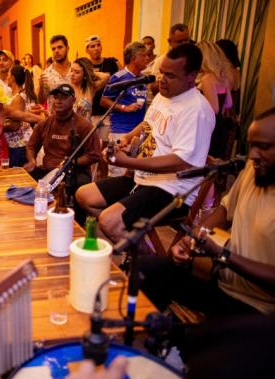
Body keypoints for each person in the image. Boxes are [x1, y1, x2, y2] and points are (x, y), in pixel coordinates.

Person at [139, 108, 275, 317]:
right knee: (145, 271)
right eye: (252, 145)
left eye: (263, 147)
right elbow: (224, 210)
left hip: (258, 308)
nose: (253, 155)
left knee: (196, 344)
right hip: (221, 283)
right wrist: (190, 240)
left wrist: (223, 254)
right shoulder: (253, 169)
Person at [75, 43, 215, 244]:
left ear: (192, 76)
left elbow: (182, 161)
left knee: (109, 220)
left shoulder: (197, 110)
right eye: (161, 73)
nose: (161, 80)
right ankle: (134, 241)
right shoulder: (163, 96)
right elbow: (148, 123)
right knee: (84, 195)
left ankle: (143, 260)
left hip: (171, 190)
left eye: (170, 76)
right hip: (142, 178)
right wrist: (128, 137)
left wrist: (128, 163)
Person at [24, 84, 101, 189]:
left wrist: (72, 162)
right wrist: (32, 161)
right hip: (48, 171)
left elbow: (95, 155)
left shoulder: (84, 126)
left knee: (79, 185)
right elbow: (31, 146)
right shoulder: (44, 123)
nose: (58, 101)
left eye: (64, 97)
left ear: (73, 100)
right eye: (56, 97)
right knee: (24, 180)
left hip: (75, 172)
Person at [101, 42, 151, 176]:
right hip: (121, 131)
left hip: (139, 132)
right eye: (144, 55)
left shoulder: (143, 78)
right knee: (118, 172)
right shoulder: (119, 77)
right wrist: (124, 107)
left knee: (134, 173)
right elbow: (104, 100)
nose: (148, 58)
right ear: (134, 57)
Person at [196, 40, 238, 159]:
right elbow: (229, 104)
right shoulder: (222, 76)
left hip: (210, 129)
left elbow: (214, 109)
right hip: (221, 127)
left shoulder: (207, 78)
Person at [85, 35, 121, 142]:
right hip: (90, 113)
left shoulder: (112, 63)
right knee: (91, 144)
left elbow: (123, 81)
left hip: (108, 113)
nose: (96, 48)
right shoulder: (85, 66)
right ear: (87, 50)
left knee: (106, 143)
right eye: (92, 46)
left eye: (98, 45)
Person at [5, 65, 41, 167]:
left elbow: (15, 125)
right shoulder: (22, 95)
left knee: (18, 177)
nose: (7, 78)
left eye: (8, 75)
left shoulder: (18, 98)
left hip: (19, 144)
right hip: (20, 143)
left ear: (12, 78)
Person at [39, 35, 72, 105]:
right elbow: (41, 101)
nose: (56, 51)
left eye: (60, 47)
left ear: (68, 48)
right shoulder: (46, 74)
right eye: (53, 49)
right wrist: (41, 88)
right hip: (54, 115)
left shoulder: (76, 70)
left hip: (74, 115)